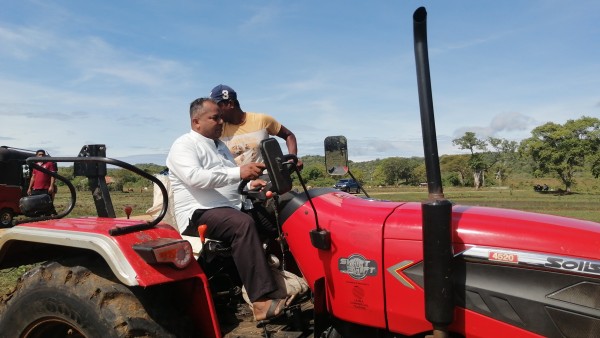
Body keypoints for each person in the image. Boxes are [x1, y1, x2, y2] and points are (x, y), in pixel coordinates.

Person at [166, 97, 286, 321]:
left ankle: (287, 279)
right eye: (214, 117)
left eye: (221, 116)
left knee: (276, 221)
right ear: (196, 122)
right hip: (199, 212)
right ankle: (260, 301)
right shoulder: (184, 145)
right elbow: (195, 178)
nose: (221, 121)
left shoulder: (219, 146)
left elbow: (229, 178)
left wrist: (250, 183)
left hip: (230, 206)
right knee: (242, 224)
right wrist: (239, 172)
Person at [209, 84, 302, 168]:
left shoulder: (262, 120)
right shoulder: (218, 128)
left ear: (230, 104)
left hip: (266, 180)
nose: (214, 112)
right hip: (238, 184)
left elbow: (289, 135)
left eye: (217, 107)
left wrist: (293, 159)